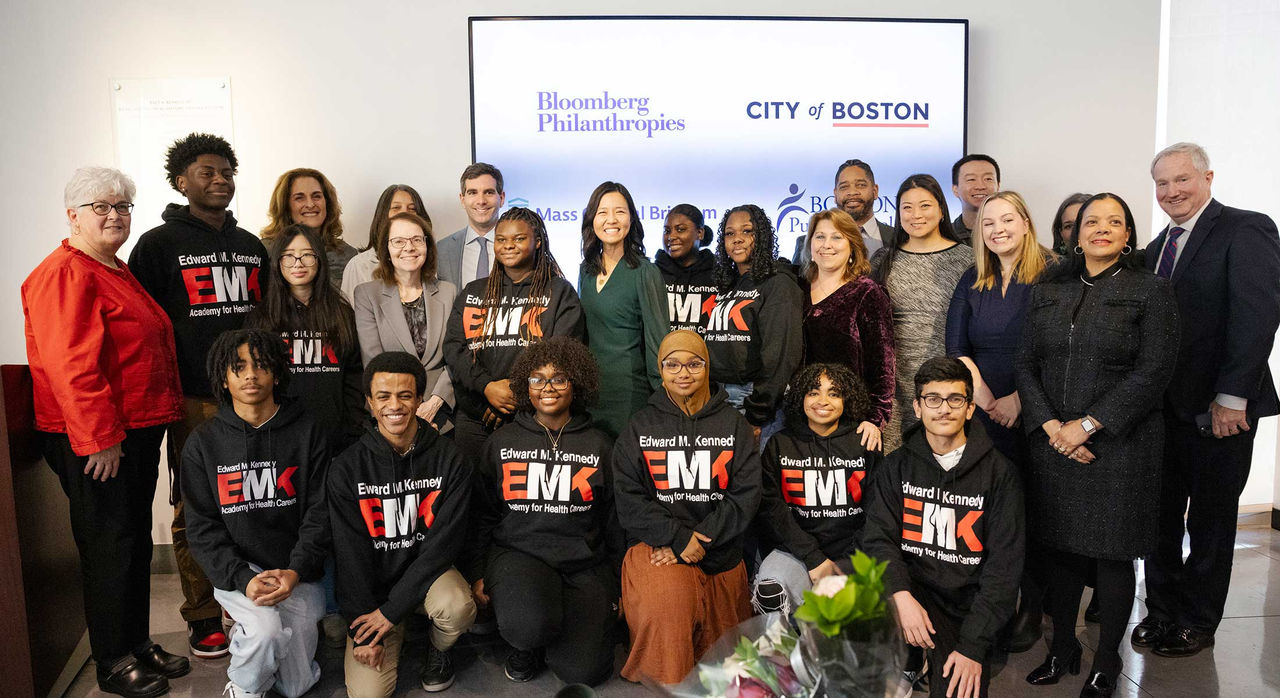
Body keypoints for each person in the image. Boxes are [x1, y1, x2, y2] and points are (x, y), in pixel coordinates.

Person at [24, 166, 188, 698]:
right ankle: (113, 660)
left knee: (133, 541)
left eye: (122, 206)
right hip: (101, 440)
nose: (116, 215)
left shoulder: (112, 267)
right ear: (73, 215)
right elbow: (72, 365)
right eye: (103, 207)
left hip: (133, 430)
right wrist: (100, 439)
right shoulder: (65, 273)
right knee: (108, 546)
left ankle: (136, 642)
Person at [1015, 193, 1178, 696]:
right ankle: (1063, 647)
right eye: (1091, 222)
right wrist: (1050, 429)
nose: (1101, 229)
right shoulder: (1048, 288)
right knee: (1059, 553)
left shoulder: (1152, 291)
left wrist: (1086, 426)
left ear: (1129, 234)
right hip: (1052, 444)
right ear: (1074, 233)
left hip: (1120, 448)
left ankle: (1107, 662)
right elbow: (1026, 365)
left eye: (1114, 222)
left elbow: (1153, 373)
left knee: (1112, 557)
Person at [1135, 143, 1280, 658]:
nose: (1171, 191)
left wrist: (1232, 397)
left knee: (1211, 522)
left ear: (1208, 177)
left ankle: (1197, 619)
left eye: (1182, 180)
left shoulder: (1246, 228)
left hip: (1220, 411)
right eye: (1162, 184)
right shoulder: (1154, 251)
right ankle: (1161, 610)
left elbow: (1257, 316)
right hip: (1162, 413)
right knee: (1161, 518)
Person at [129, 132, 268, 660]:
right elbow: (145, 328)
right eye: (207, 172)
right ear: (180, 181)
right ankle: (204, 614)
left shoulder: (251, 246)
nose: (220, 180)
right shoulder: (158, 245)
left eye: (227, 171)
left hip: (253, 396)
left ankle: (246, 601)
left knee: (255, 496)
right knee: (195, 508)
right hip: (193, 399)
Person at [862, 357, 1024, 698]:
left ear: (969, 409)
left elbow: (1004, 570)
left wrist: (972, 647)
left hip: (965, 606)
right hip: (910, 590)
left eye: (955, 399)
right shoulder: (896, 467)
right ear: (919, 408)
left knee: (957, 691)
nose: (944, 409)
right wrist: (901, 595)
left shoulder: (1000, 474)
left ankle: (933, 659)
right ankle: (909, 659)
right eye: (932, 399)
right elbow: (878, 539)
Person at [181, 330, 330, 698]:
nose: (250, 375)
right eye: (239, 367)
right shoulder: (202, 443)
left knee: (296, 686)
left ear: (276, 374)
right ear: (224, 377)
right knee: (265, 630)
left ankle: (254, 640)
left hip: (296, 571)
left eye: (261, 366)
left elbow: (320, 512)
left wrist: (296, 570)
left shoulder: (308, 430)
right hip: (239, 572)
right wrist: (241, 577)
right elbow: (201, 529)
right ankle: (243, 687)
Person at [469, 337, 623, 686]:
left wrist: (618, 584)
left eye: (559, 378)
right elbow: (483, 514)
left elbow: (614, 521)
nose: (547, 388)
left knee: (585, 673)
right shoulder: (502, 442)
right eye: (537, 379)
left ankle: (556, 636)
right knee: (527, 625)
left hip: (584, 563)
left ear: (576, 382)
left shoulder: (600, 444)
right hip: (519, 556)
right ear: (526, 385)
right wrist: (478, 571)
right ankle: (529, 643)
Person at [612, 330, 761, 684]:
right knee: (670, 603)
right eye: (672, 364)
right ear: (660, 370)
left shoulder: (733, 425)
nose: (683, 372)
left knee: (728, 670)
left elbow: (746, 494)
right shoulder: (640, 426)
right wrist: (678, 538)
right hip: (657, 546)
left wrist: (703, 538)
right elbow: (629, 497)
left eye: (694, 363)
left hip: (719, 547)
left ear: (707, 367)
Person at [328, 351, 476, 695]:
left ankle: (438, 648)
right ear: (369, 402)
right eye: (383, 396)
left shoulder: (450, 459)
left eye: (405, 395)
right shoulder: (347, 468)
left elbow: (442, 548)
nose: (394, 405)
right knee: (368, 694)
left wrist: (391, 613)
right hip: (373, 595)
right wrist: (364, 630)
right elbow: (350, 558)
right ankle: (396, 631)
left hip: (427, 579)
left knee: (457, 607)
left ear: (420, 399)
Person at [946, 191, 1054, 653]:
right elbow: (957, 347)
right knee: (989, 512)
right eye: (988, 223)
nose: (997, 230)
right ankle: (991, 604)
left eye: (1007, 219)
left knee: (1032, 510)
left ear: (1026, 222)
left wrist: (1020, 400)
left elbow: (1060, 351)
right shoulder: (974, 277)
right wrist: (989, 400)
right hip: (984, 410)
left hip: (1040, 410)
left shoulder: (1054, 275)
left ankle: (1032, 604)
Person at [443, 207, 584, 468]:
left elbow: (563, 352)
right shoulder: (474, 292)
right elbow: (454, 349)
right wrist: (487, 388)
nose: (509, 245)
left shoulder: (559, 292)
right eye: (501, 239)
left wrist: (515, 394)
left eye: (519, 238)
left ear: (537, 241)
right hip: (476, 418)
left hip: (534, 419)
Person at [752, 363, 880, 613]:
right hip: (795, 551)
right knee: (770, 590)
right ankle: (784, 651)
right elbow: (772, 511)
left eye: (834, 393)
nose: (823, 401)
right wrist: (815, 559)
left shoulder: (864, 442)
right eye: (813, 392)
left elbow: (877, 511)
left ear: (847, 400)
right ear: (801, 397)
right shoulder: (780, 444)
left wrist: (842, 566)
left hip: (853, 554)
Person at [871, 174, 972, 452]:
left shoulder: (968, 260)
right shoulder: (883, 260)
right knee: (895, 470)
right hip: (895, 389)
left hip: (949, 386)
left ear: (941, 209)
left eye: (925, 205)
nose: (916, 215)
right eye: (907, 207)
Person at [248, 224, 364, 452]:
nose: (298, 263)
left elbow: (354, 377)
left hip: (335, 439)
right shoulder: (261, 319)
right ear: (277, 262)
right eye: (288, 256)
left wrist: (353, 431)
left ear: (319, 259)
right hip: (280, 439)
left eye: (307, 256)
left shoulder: (341, 314)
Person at [577, 181, 670, 437]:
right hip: (590, 393)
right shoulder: (586, 270)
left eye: (620, 211)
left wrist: (665, 397)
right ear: (592, 219)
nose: (611, 219)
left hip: (630, 396)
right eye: (602, 212)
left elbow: (658, 340)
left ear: (631, 218)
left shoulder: (645, 272)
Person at [706, 203, 803, 444]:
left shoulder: (778, 284)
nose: (737, 239)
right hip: (718, 397)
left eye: (747, 231)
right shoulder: (728, 285)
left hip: (752, 400)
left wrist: (757, 413)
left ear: (762, 237)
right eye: (730, 233)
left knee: (754, 479)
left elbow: (780, 356)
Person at [353, 211, 456, 432]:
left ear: (427, 246)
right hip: (390, 415)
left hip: (441, 416)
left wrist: (435, 403)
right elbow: (374, 362)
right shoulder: (367, 295)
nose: (409, 247)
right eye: (398, 241)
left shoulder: (449, 292)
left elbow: (456, 356)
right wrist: (407, 410)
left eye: (417, 240)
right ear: (386, 250)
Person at [802, 208, 895, 445]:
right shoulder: (796, 289)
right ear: (810, 245)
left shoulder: (867, 293)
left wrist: (876, 419)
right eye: (820, 236)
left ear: (852, 246)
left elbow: (882, 366)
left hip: (852, 421)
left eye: (837, 237)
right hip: (802, 418)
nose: (827, 244)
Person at [262, 168, 358, 289]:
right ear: (285, 206)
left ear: (327, 202)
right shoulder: (264, 252)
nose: (310, 204)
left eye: (316, 196)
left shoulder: (348, 255)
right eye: (299, 198)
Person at [794, 159, 895, 265]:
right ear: (835, 194)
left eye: (860, 185)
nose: (852, 192)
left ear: (875, 191)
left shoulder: (899, 240)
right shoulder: (807, 244)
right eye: (844, 187)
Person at [342, 185, 429, 300]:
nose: (404, 213)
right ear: (383, 214)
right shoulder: (359, 265)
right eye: (396, 207)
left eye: (412, 209)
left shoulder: (427, 260)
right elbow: (349, 313)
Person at [436, 163, 506, 288]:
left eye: (489, 192)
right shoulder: (442, 249)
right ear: (462, 199)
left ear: (501, 198)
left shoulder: (520, 247)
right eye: (473, 193)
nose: (481, 201)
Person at [655, 203, 717, 333]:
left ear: (700, 233)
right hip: (662, 352)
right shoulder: (653, 273)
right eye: (667, 231)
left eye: (680, 229)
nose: (671, 237)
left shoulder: (719, 275)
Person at [950, 154, 1000, 245]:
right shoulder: (945, 236)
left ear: (998, 186)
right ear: (955, 189)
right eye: (971, 179)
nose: (980, 186)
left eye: (988, 179)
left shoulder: (1011, 233)